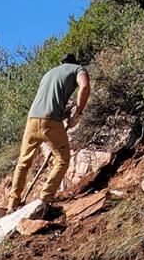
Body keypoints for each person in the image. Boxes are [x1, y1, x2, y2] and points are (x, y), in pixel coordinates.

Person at [7, 53, 90, 217]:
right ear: (75, 63)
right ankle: (45, 196)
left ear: (61, 62)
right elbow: (85, 87)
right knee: (63, 159)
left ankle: (12, 203)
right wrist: (78, 113)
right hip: (50, 121)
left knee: (23, 163)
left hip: (32, 120)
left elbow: (50, 97)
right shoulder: (78, 69)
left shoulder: (49, 73)